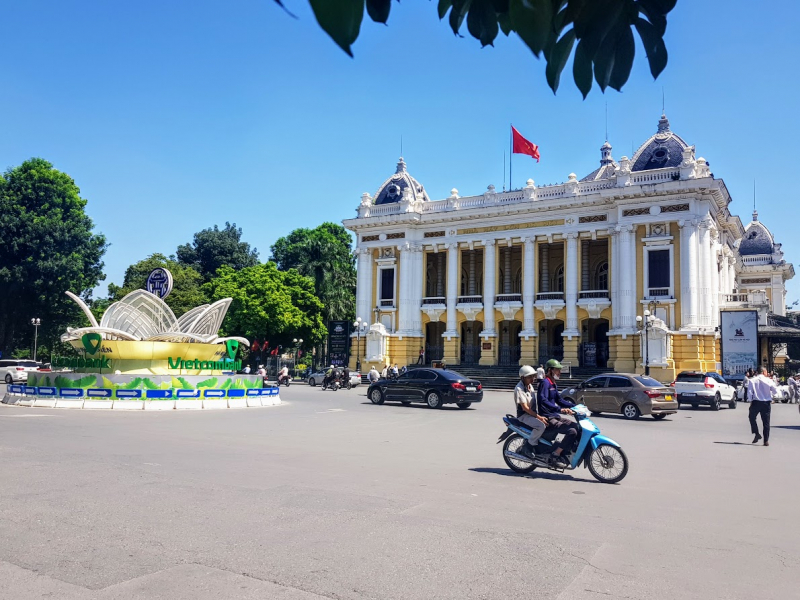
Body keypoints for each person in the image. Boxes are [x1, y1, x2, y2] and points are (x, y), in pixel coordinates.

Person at [536, 359, 578, 468]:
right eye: (557, 370)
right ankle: (556, 454)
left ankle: (566, 451)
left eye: (559, 370)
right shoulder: (545, 383)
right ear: (550, 370)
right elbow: (543, 400)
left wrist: (575, 406)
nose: (559, 372)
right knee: (572, 431)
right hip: (548, 417)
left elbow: (559, 400)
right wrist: (560, 409)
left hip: (555, 415)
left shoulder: (553, 383)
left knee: (577, 427)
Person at [514, 366, 548, 460]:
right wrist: (539, 417)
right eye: (529, 377)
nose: (532, 379)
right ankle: (528, 447)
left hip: (532, 414)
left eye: (533, 376)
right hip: (524, 416)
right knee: (541, 426)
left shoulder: (530, 386)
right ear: (522, 377)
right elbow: (525, 408)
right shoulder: (519, 389)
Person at [748, 367, 777, 446]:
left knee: (751, 417)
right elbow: (775, 390)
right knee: (766, 422)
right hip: (766, 403)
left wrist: (750, 401)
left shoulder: (752, 380)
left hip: (756, 402)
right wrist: (771, 395)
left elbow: (750, 392)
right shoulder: (769, 380)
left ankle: (756, 433)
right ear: (764, 372)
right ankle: (766, 440)